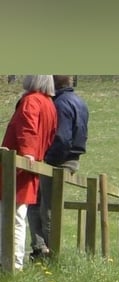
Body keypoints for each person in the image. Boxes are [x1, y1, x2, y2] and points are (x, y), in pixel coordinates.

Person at [28, 75, 89, 261]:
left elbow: (62, 139)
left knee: (44, 208)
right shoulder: (80, 102)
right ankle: (42, 249)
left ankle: (48, 254)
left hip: (57, 162)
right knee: (44, 205)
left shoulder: (60, 104)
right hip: (71, 159)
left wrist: (48, 160)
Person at [0, 75, 57, 270]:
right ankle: (13, 261)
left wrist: (29, 154)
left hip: (18, 166)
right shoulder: (49, 104)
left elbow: (27, 129)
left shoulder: (31, 100)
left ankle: (11, 263)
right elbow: (49, 136)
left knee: (12, 215)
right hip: (28, 165)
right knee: (17, 215)